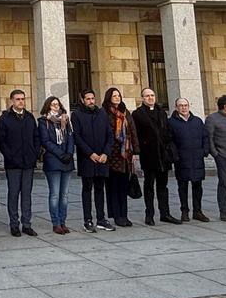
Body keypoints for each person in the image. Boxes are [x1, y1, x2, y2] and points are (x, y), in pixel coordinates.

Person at [131, 88, 180, 225]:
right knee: (149, 185)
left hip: (163, 155)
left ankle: (165, 213)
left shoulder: (161, 112)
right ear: (142, 98)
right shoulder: (138, 114)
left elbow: (167, 130)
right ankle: (149, 214)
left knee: (163, 186)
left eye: (152, 95)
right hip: (149, 154)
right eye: (147, 96)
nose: (150, 98)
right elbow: (136, 134)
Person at [0, 88, 40, 237]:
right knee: (13, 194)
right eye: (18, 99)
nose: (21, 101)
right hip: (13, 164)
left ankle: (26, 224)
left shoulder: (29, 117)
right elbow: (1, 141)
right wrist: (10, 156)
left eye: (23, 99)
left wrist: (35, 153)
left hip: (28, 162)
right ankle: (14, 224)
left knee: (27, 195)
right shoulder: (5, 119)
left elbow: (36, 137)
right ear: (12, 101)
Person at [71, 89, 115, 232]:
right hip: (87, 158)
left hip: (102, 158)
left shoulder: (102, 113)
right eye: (88, 98)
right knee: (87, 189)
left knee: (99, 189)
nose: (91, 101)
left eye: (93, 98)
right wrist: (90, 153)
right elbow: (77, 137)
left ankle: (101, 219)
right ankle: (87, 220)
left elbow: (110, 134)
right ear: (82, 100)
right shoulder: (77, 114)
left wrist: (105, 153)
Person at [167, 98, 209, 222]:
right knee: (182, 186)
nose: (183, 108)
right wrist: (175, 156)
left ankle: (198, 211)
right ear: (176, 107)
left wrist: (204, 151)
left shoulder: (197, 121)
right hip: (182, 159)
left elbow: (205, 137)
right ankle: (184, 211)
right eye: (180, 106)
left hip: (197, 158)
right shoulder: (171, 122)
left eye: (185, 105)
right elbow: (170, 141)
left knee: (197, 186)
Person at [102, 87, 138, 227]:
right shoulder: (104, 112)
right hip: (112, 154)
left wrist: (135, 151)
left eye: (118, 95)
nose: (117, 98)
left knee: (123, 185)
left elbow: (132, 131)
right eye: (114, 95)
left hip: (125, 154)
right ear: (109, 97)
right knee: (113, 186)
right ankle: (116, 215)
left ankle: (124, 214)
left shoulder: (125, 112)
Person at [38, 96, 75, 234]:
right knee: (55, 194)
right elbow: (45, 141)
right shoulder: (43, 122)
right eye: (53, 105)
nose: (56, 107)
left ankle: (63, 221)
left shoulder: (66, 120)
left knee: (64, 195)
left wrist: (70, 153)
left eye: (57, 104)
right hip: (53, 161)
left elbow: (71, 137)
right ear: (48, 106)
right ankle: (56, 222)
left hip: (67, 161)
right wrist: (61, 154)